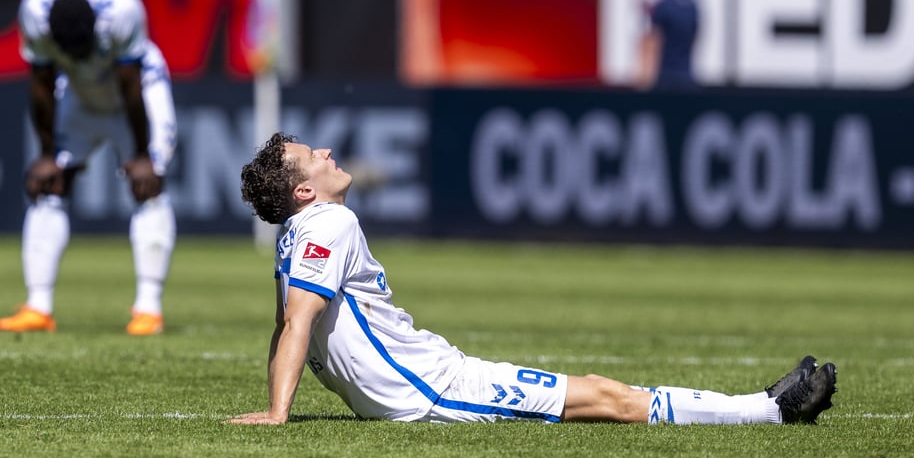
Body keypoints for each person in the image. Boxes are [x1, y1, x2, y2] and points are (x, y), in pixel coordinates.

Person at [229, 133, 838, 425]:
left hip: (425, 381)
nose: (330, 153)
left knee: (602, 392)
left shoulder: (294, 238)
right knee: (607, 396)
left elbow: (286, 326)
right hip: (434, 390)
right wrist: (279, 412)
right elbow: (299, 322)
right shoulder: (328, 221)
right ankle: (770, 412)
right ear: (303, 189)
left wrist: (274, 401)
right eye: (315, 157)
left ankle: (763, 407)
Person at [0, 0, 177, 336]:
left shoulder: (123, 10)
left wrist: (142, 155)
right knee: (49, 185)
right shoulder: (34, 15)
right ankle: (38, 306)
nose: (78, 55)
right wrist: (47, 154)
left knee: (148, 185)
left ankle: (148, 308)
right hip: (79, 96)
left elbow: (130, 84)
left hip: (137, 91)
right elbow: (41, 84)